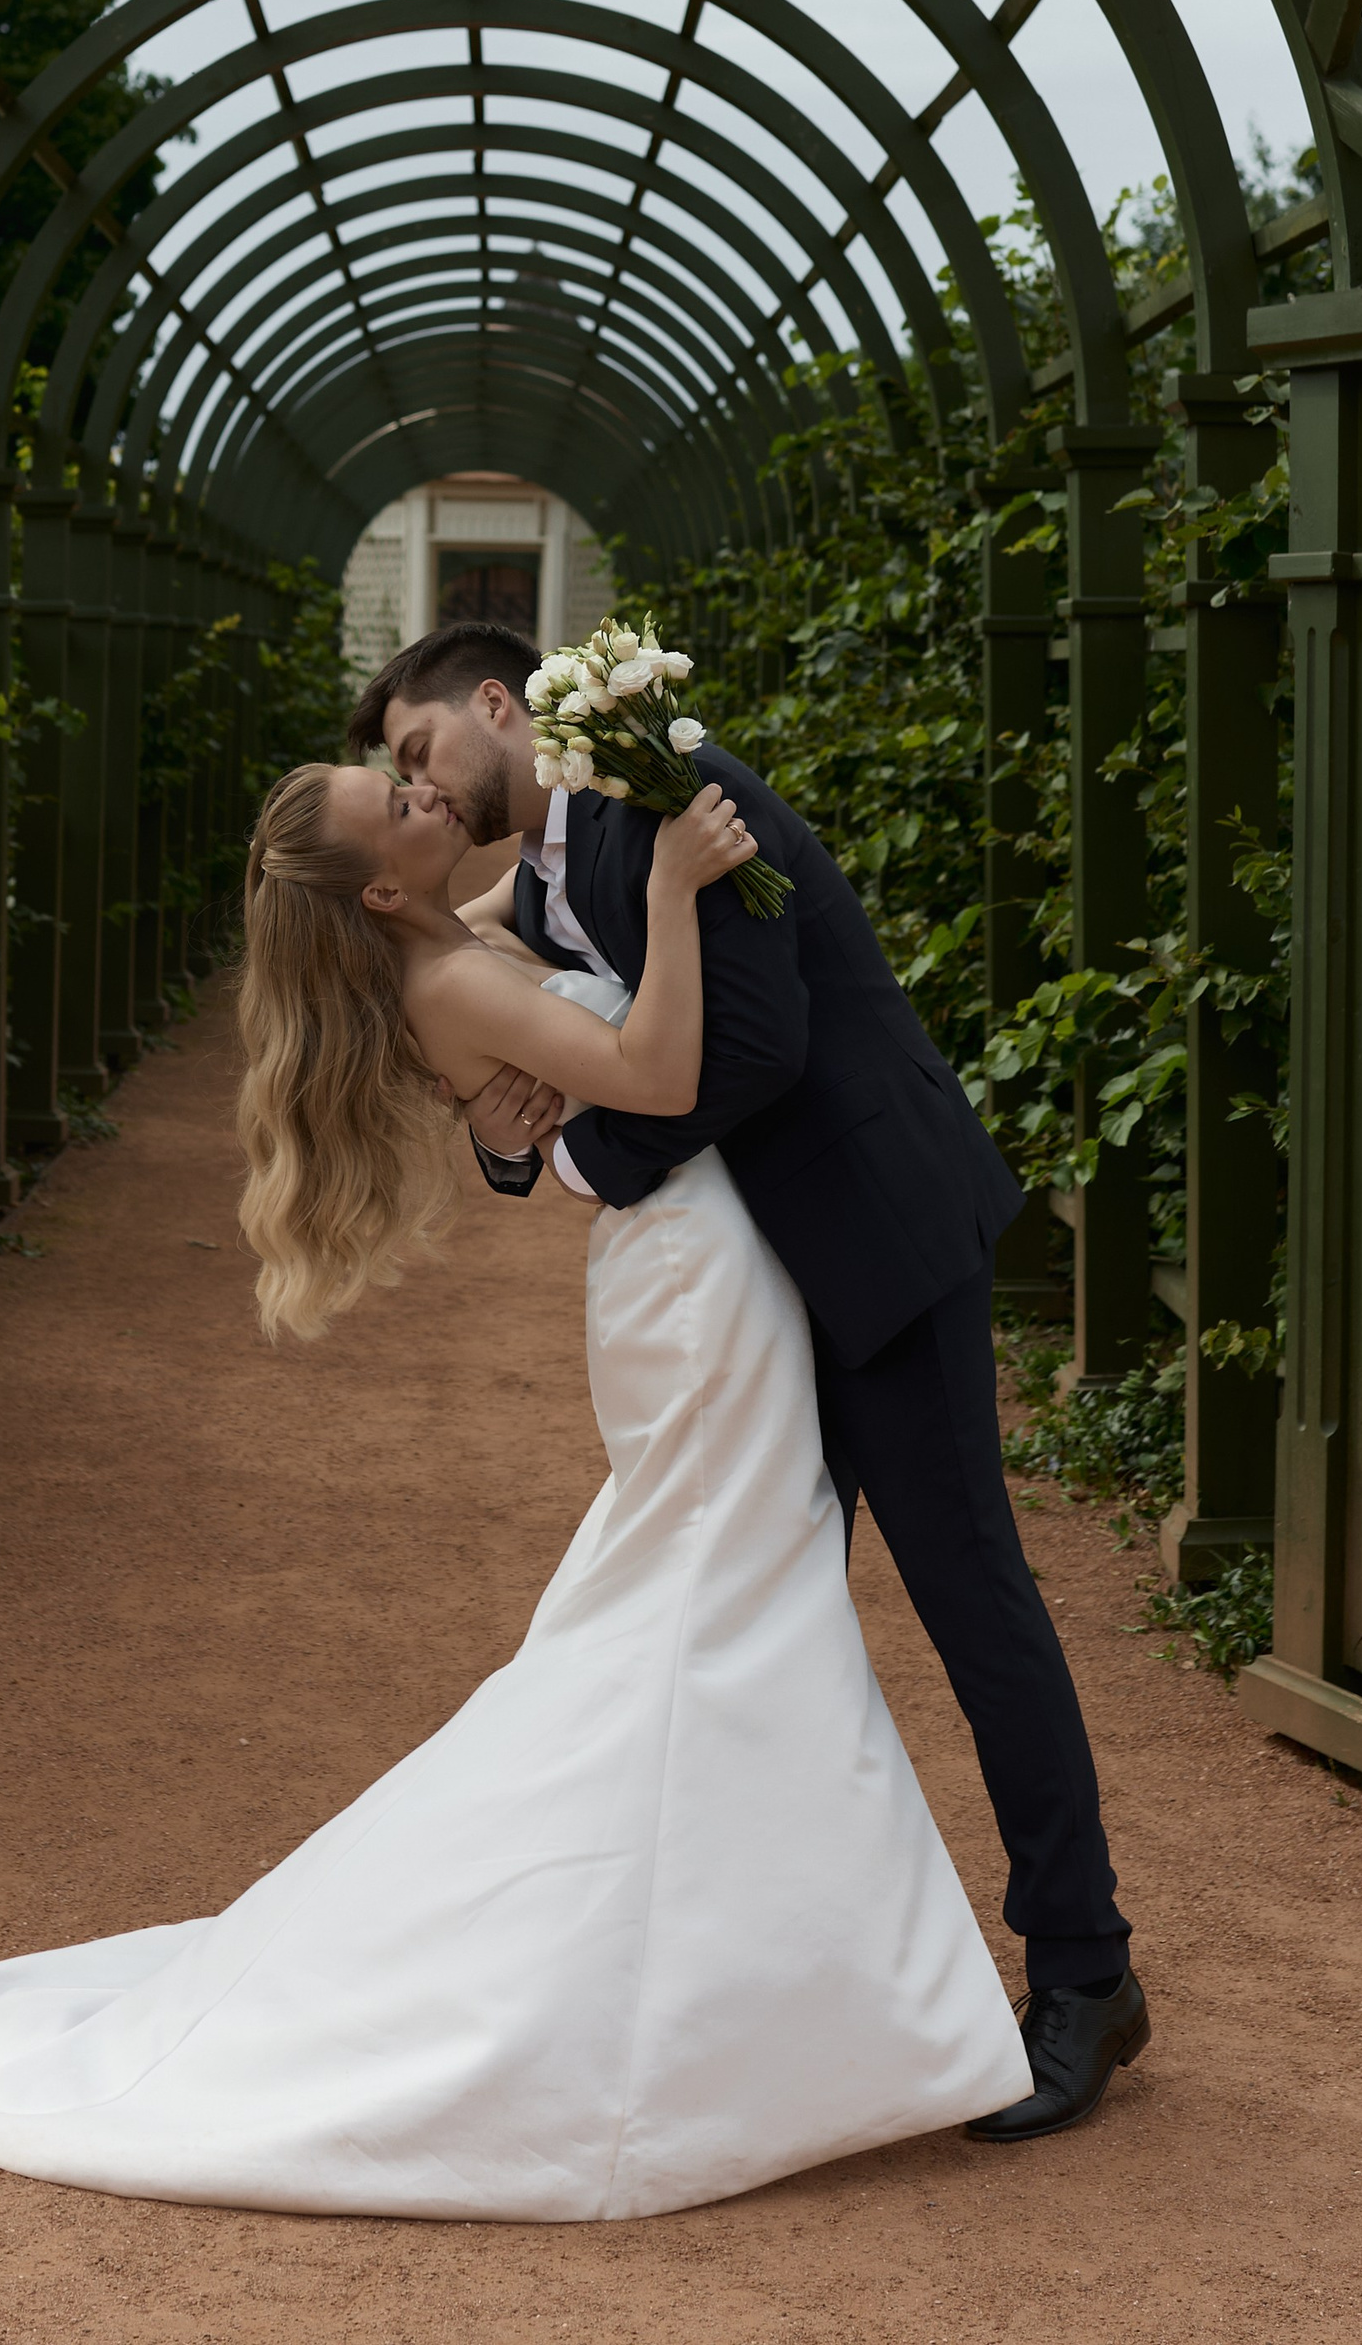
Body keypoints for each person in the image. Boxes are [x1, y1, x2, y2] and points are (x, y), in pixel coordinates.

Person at [0, 753, 1036, 2218]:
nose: (426, 791)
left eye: (407, 772)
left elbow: (523, 907)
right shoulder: (450, 980)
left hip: (709, 1262)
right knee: (717, 1588)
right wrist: (674, 891)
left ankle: (768, 1969)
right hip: (693, 1280)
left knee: (721, 1589)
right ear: (379, 888)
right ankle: (755, 1986)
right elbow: (659, 1077)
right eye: (399, 805)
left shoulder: (450, 934)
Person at [358, 622, 1147, 2147]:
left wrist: (582, 1155)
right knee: (766, 1625)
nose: (423, 784)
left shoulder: (665, 788)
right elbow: (495, 989)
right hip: (766, 1284)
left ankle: (1085, 1970)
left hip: (878, 1237)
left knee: (972, 1600)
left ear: (496, 703)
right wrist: (504, 1133)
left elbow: (765, 1047)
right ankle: (787, 1989)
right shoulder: (559, 854)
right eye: (400, 774)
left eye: (419, 749)